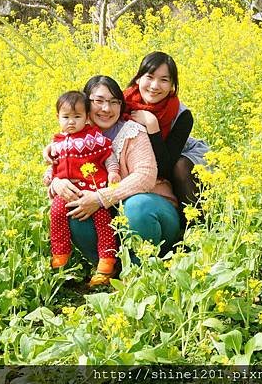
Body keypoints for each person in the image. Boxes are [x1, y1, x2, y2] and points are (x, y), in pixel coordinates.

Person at [48, 76, 182, 286]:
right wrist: (57, 183)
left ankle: (142, 272)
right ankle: (110, 269)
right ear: (85, 103)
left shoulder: (132, 131)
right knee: (74, 207)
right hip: (110, 222)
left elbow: (145, 176)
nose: (106, 108)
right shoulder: (74, 135)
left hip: (153, 214)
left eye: (114, 102)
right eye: (98, 101)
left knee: (136, 206)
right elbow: (57, 167)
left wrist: (102, 197)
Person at [44, 91, 121, 280]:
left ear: (87, 118)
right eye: (66, 117)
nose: (71, 122)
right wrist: (49, 176)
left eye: (77, 117)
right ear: (58, 118)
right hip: (68, 192)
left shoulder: (93, 137)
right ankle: (60, 255)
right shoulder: (57, 142)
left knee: (104, 223)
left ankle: (106, 262)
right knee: (56, 213)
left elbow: (108, 155)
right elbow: (54, 166)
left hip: (94, 189)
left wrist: (113, 172)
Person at [124, 51, 209, 214]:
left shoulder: (182, 115)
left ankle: (194, 225)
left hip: (175, 160)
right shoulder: (121, 103)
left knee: (181, 167)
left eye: (164, 80)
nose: (154, 86)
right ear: (138, 78)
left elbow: (165, 167)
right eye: (149, 77)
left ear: (172, 86)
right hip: (141, 162)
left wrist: (152, 125)